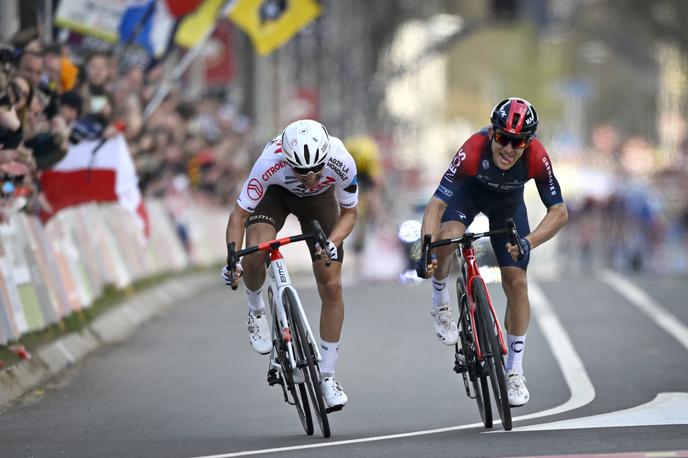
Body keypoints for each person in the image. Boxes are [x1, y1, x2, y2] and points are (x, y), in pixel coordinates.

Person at [417, 97, 568, 407]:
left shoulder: (537, 157)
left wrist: (530, 241)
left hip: (507, 207)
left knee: (517, 281)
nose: (508, 149)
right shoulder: (473, 149)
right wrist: (427, 250)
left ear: (528, 142)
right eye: (502, 138)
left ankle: (514, 372)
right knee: (448, 237)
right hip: (467, 196)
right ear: (492, 134)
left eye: (518, 142)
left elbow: (559, 211)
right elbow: (436, 206)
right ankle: (441, 301)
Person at [222, 119, 358, 410]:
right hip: (274, 197)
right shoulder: (268, 163)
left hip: (319, 202)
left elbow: (350, 213)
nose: (309, 175)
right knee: (254, 254)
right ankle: (256, 308)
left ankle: (328, 376)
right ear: (287, 160)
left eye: (316, 168)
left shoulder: (341, 159)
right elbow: (238, 216)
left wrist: (332, 242)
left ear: (326, 158)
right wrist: (232, 260)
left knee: (332, 285)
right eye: (300, 169)